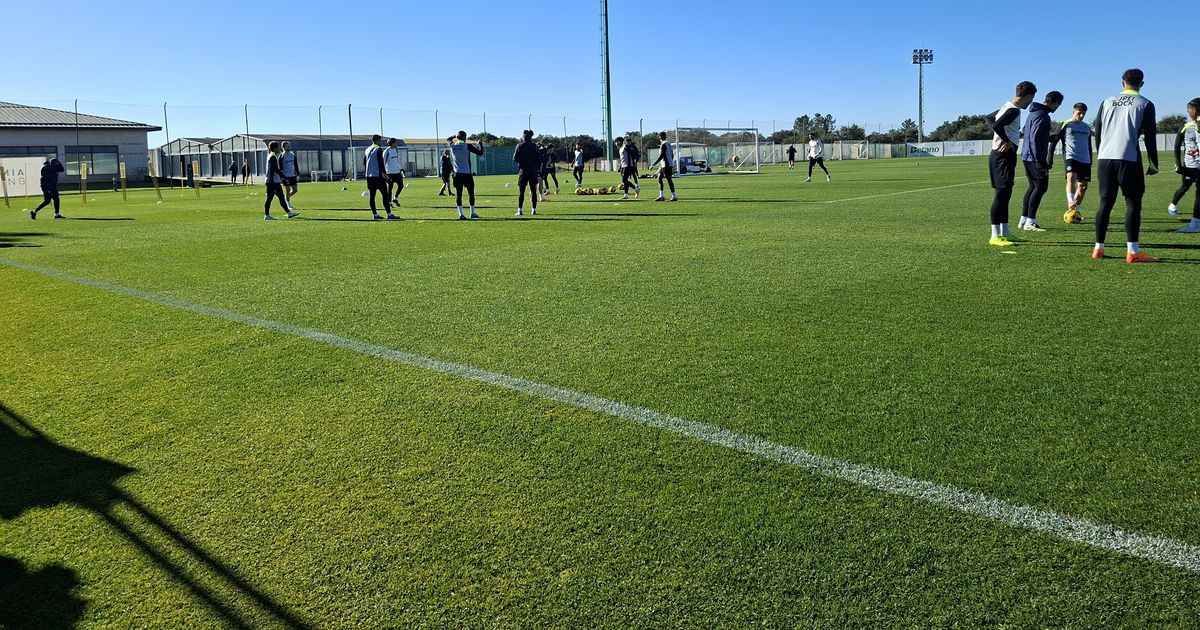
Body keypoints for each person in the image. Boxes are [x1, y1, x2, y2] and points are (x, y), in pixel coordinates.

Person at [1091, 68, 1159, 262]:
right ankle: (1133, 251)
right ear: (1142, 84)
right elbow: (1151, 138)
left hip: (1105, 158)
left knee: (1105, 202)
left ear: (1123, 83)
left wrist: (1100, 152)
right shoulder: (1145, 103)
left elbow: (1098, 130)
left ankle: (1098, 249)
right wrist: (1153, 163)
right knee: (1132, 202)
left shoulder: (1107, 101)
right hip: (1128, 158)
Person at [986, 81, 1037, 247]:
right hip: (1001, 157)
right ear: (1028, 96)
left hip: (1005, 156)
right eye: (1031, 99)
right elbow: (996, 124)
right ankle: (995, 235)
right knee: (1001, 194)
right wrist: (1006, 141)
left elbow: (988, 118)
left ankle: (1005, 232)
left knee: (1006, 193)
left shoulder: (1007, 106)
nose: (1030, 103)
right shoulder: (1013, 110)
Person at [1018, 91, 1064, 231]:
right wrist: (1039, 161)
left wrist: (1049, 137)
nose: (1058, 107)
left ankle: (1024, 220)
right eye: (1059, 104)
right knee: (1040, 187)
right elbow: (1035, 139)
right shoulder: (1043, 115)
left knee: (1033, 187)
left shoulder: (1034, 112)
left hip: (1027, 155)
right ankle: (1030, 222)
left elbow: (1029, 132)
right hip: (1034, 157)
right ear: (1055, 102)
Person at [1053, 102, 1094, 219]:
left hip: (1085, 159)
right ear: (1073, 111)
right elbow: (1054, 140)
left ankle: (1074, 208)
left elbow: (1089, 145)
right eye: (1079, 113)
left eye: (1083, 114)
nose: (1081, 116)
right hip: (1071, 157)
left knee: (1083, 187)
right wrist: (1049, 158)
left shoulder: (1086, 127)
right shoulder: (1065, 124)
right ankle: (1070, 201)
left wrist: (1090, 160)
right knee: (1071, 177)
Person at [1169, 98, 1200, 233]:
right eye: (1189, 109)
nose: (1191, 111)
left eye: (1194, 108)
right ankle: (1172, 205)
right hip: (1189, 165)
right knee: (1185, 187)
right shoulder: (1185, 128)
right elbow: (1176, 147)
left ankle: (1195, 224)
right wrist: (1178, 164)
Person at [449, 130, 484, 219]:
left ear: (457, 138)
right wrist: (480, 144)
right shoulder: (467, 146)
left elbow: (448, 139)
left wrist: (455, 136)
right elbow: (480, 153)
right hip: (467, 173)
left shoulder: (452, 146)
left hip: (457, 173)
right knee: (471, 193)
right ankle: (472, 213)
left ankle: (461, 214)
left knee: (459, 194)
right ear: (465, 138)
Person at [363, 134, 398, 220]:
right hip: (377, 176)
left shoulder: (367, 149)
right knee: (385, 195)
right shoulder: (378, 149)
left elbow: (364, 162)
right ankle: (389, 214)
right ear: (378, 140)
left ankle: (375, 215)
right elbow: (381, 163)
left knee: (372, 196)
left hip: (369, 176)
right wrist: (385, 174)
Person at [263, 141, 299, 220]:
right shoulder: (272, 157)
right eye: (279, 147)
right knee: (269, 198)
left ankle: (289, 213)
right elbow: (275, 169)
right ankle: (266, 215)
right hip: (271, 182)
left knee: (281, 197)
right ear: (275, 148)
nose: (280, 148)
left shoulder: (272, 155)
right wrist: (284, 176)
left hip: (274, 181)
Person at [513, 129, 541, 216]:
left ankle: (520, 210)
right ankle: (534, 210)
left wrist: (522, 161)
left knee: (521, 192)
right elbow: (539, 160)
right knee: (533, 191)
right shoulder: (535, 146)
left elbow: (515, 159)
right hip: (532, 171)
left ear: (525, 136)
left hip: (523, 171)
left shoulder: (519, 146)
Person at [650, 130, 678, 202]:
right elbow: (672, 154)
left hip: (666, 164)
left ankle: (674, 196)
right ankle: (661, 196)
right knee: (659, 178)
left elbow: (662, 155)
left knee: (669, 179)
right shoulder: (668, 143)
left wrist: (653, 164)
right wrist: (671, 161)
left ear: (659, 137)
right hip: (665, 164)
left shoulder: (663, 145)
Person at [383, 137, 405, 206]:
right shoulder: (386, 151)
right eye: (395, 142)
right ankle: (389, 202)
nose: (396, 144)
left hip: (397, 172)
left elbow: (396, 160)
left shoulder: (395, 150)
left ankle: (395, 198)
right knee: (390, 187)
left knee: (401, 186)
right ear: (392, 143)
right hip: (389, 172)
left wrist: (400, 168)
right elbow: (383, 162)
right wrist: (384, 172)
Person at [280, 141, 299, 211]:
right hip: (285, 176)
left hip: (293, 175)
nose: (289, 147)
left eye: (289, 146)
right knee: (287, 190)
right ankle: (288, 205)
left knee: (295, 190)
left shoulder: (293, 154)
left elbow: (296, 165)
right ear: (283, 147)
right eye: (287, 146)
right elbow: (280, 167)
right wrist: (281, 176)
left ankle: (286, 198)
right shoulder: (281, 155)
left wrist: (298, 174)